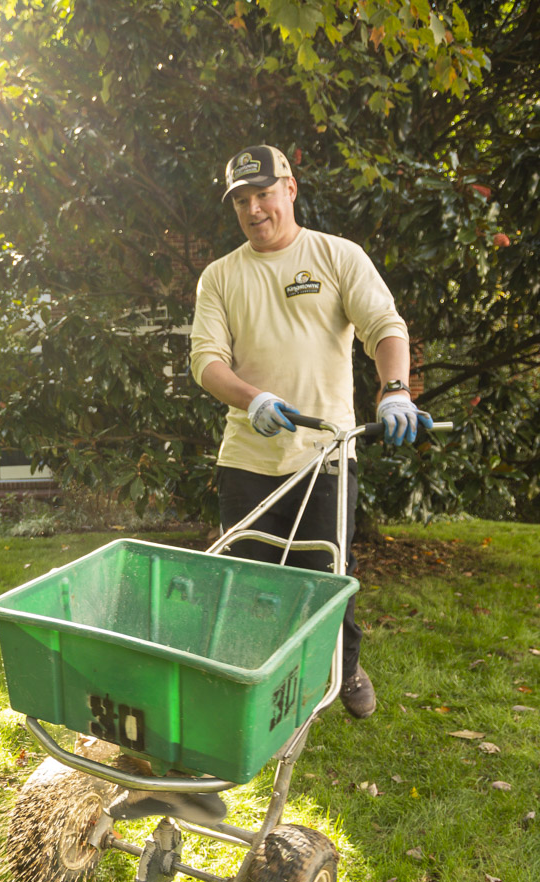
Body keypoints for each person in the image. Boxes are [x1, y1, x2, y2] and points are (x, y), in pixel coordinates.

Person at [189, 144, 428, 719]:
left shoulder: (337, 256)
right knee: (246, 584)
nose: (254, 210)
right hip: (246, 458)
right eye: (241, 200)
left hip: (326, 456)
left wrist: (395, 388)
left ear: (290, 189)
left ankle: (344, 668)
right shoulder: (221, 277)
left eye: (263, 194)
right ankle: (253, 685)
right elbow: (207, 362)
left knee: (326, 578)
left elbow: (385, 329)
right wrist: (254, 398)